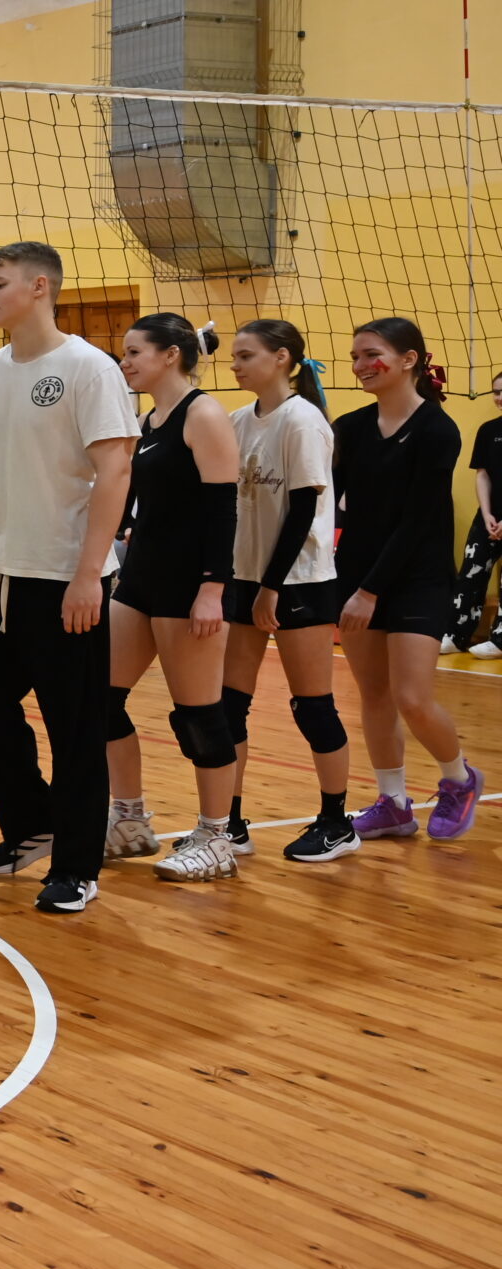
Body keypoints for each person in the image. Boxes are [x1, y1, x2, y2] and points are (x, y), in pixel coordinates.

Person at [0, 243, 135, 917]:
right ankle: (33, 822)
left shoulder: (88, 367)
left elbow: (116, 472)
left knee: (74, 726)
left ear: (40, 286)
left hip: (62, 577)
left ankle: (77, 865)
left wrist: (88, 575)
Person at [99, 317, 245, 883]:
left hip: (190, 584)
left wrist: (213, 588)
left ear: (171, 355)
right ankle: (130, 820)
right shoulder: (148, 419)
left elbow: (223, 509)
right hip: (141, 580)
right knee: (101, 700)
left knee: (199, 716)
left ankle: (216, 837)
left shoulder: (203, 414)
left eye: (134, 352)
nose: (125, 362)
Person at [211, 319, 355, 864]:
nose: (235, 364)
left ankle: (337, 822)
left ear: (281, 358)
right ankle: (230, 822)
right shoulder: (237, 421)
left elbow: (302, 511)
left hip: (300, 581)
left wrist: (270, 587)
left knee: (312, 706)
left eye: (245, 355)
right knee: (228, 706)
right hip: (245, 576)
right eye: (233, 355)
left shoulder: (302, 420)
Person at [333, 317, 482, 841]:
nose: (360, 366)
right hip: (357, 575)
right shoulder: (350, 427)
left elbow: (418, 520)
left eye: (370, 354)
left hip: (417, 578)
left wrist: (369, 591)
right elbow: (328, 504)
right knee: (373, 694)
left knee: (412, 698)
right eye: (355, 357)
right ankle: (393, 803)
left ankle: (459, 780)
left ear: (409, 360)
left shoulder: (438, 429)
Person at [444, 371, 502, 656]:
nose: (499, 397)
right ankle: (457, 635)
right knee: (470, 574)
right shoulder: (489, 430)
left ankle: (500, 639)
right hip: (489, 518)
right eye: (496, 392)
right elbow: (482, 474)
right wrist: (487, 513)